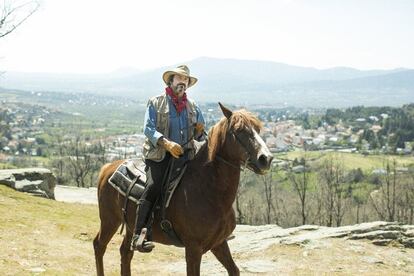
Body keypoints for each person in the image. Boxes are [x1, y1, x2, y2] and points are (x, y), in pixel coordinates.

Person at [130, 65, 205, 252]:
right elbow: (148, 129)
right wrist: (167, 144)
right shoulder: (156, 102)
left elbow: (200, 135)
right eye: (179, 78)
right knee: (154, 187)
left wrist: (200, 133)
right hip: (160, 156)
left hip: (185, 156)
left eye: (186, 79)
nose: (183, 82)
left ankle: (212, 228)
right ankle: (138, 235)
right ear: (170, 81)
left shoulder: (193, 106)